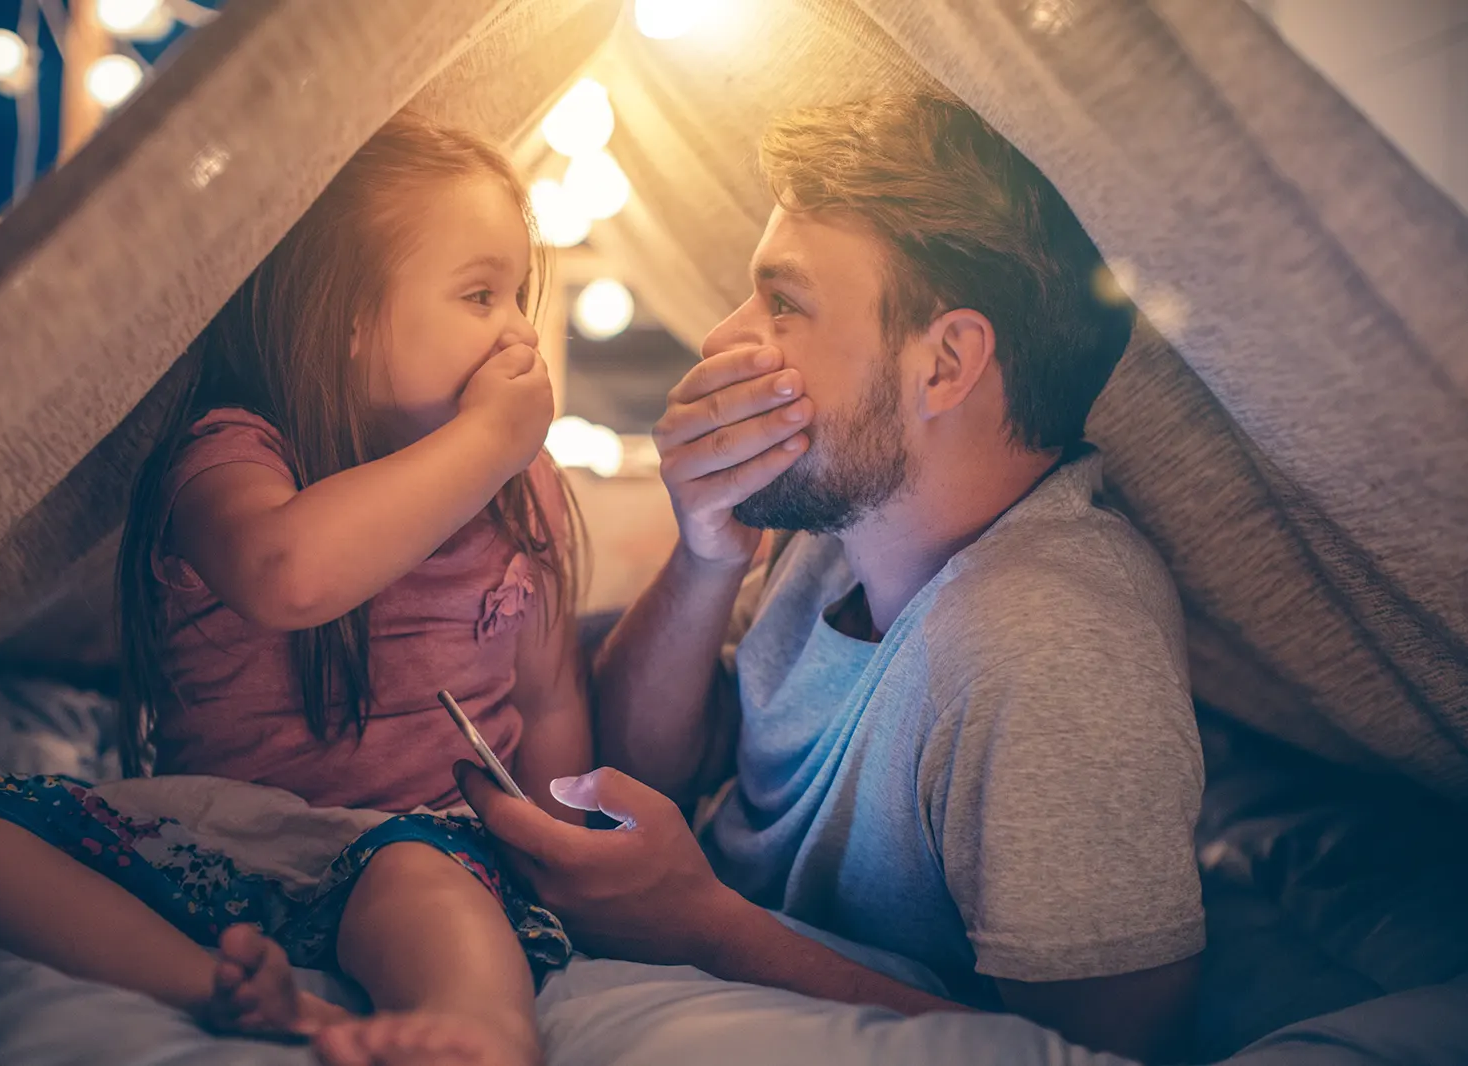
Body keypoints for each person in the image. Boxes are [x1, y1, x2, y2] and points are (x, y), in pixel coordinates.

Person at [459, 91, 1205, 1064]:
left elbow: (1102, 1051)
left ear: (943, 364)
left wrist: (701, 924)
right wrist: (706, 554)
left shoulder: (1047, 642)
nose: (727, 339)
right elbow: (649, 769)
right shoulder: (841, 519)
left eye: (782, 301)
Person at [0, 112, 590, 1066]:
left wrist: (564, 853)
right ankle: (224, 990)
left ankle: (477, 1034)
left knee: (427, 890)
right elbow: (287, 573)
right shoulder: (229, 452)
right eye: (481, 294)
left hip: (411, 847)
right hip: (206, 847)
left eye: (518, 294)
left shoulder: (518, 490)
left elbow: (548, 693)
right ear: (342, 316)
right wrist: (487, 441)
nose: (517, 328)